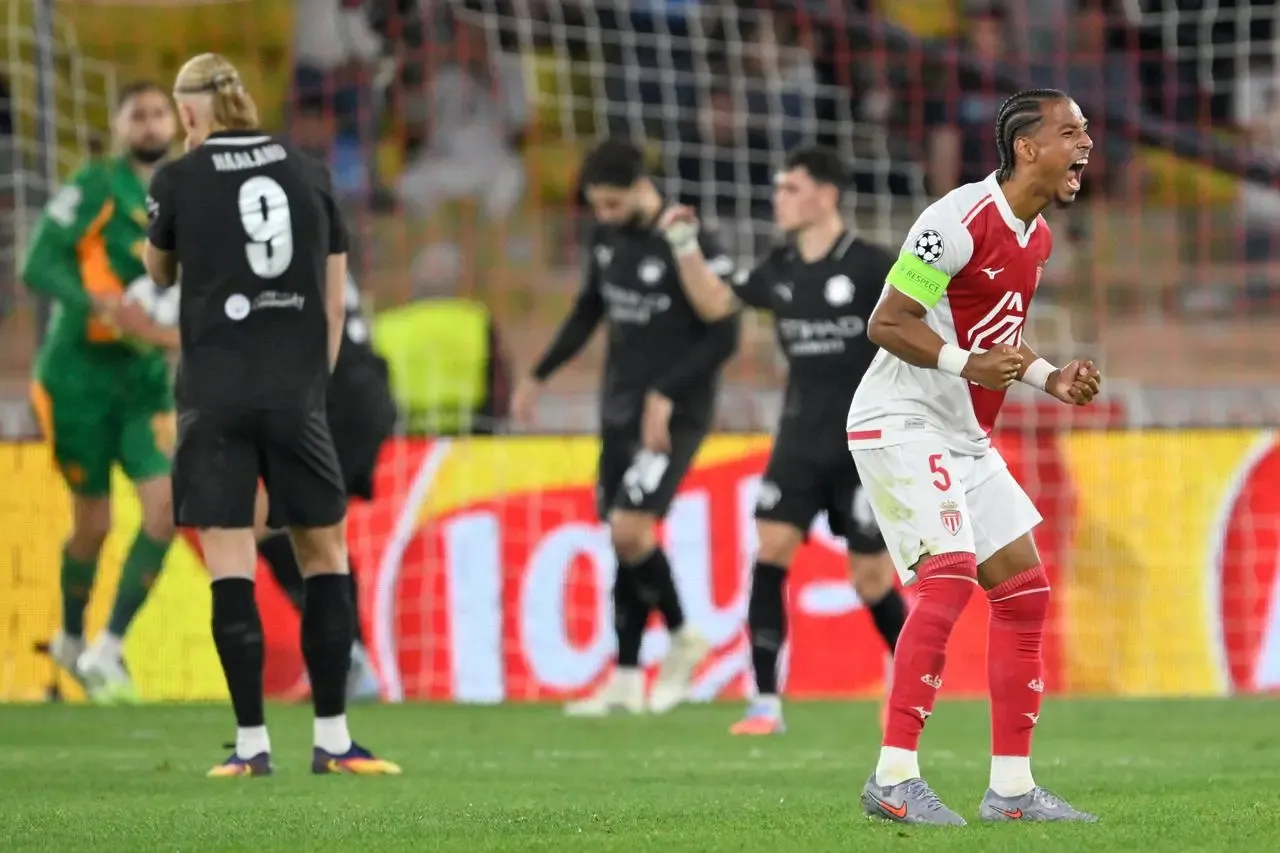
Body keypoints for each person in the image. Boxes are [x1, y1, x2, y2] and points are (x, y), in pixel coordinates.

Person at [847, 89, 1101, 824]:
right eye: (1071, 131)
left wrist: (1051, 378)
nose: (1086, 143)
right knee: (950, 576)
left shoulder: (1038, 238)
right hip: (900, 418)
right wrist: (964, 365)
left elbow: (999, 340)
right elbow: (886, 322)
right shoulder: (954, 222)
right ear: (1027, 146)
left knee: (1024, 592)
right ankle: (893, 778)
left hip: (964, 436)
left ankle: (1013, 792)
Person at [143, 52, 398, 777]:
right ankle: (335, 739)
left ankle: (252, 747)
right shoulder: (310, 170)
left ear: (191, 111)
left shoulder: (178, 178)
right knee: (326, 557)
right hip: (296, 390)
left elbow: (159, 271)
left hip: (214, 392)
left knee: (232, 562)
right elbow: (335, 294)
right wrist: (309, 387)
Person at [655, 146, 908, 736]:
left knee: (869, 579)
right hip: (798, 440)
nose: (778, 198)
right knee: (770, 552)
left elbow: (922, 329)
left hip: (864, 444)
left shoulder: (873, 266)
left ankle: (910, 675)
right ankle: (765, 703)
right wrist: (685, 247)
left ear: (826, 195)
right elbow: (716, 301)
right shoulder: (781, 267)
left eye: (790, 188)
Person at [511, 137, 740, 716]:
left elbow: (725, 334)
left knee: (631, 530)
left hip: (673, 413)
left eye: (614, 204)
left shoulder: (687, 239)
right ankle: (627, 677)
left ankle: (687, 635)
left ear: (643, 186)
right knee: (620, 537)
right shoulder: (607, 236)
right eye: (598, 206)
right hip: (619, 408)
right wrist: (537, 375)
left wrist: (666, 393)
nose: (605, 216)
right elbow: (590, 307)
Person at [22, 81, 180, 704]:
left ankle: (108, 647)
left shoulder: (184, 193)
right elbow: (35, 264)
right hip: (78, 382)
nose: (149, 123)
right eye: (137, 113)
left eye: (158, 112)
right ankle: (68, 637)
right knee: (94, 523)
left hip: (143, 384)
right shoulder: (93, 186)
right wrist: (102, 306)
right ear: (118, 125)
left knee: (166, 509)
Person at [255, 271, 396, 701]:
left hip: (333, 399)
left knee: (291, 527)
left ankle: (347, 660)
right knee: (302, 529)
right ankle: (345, 660)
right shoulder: (305, 230)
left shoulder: (267, 243)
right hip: (355, 394)